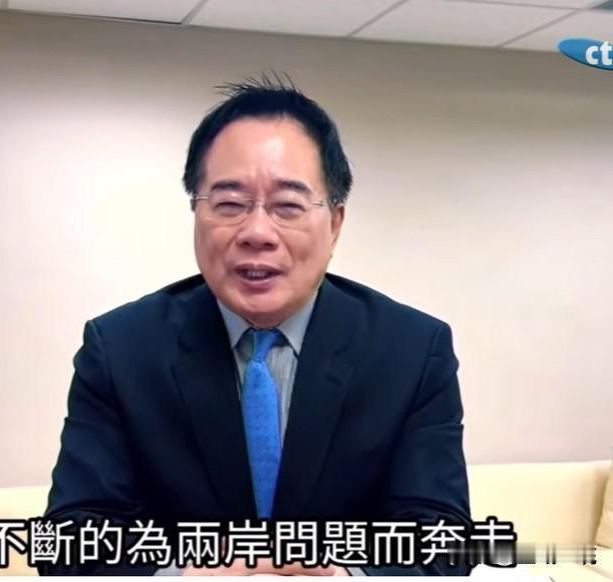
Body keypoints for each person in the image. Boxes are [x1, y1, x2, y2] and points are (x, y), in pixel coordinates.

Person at [40, 76, 471, 576]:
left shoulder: (412, 350)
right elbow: (70, 542)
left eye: (288, 206)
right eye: (229, 204)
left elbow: (445, 542)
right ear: (196, 214)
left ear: (335, 223)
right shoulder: (120, 349)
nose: (257, 232)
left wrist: (346, 576)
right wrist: (180, 576)